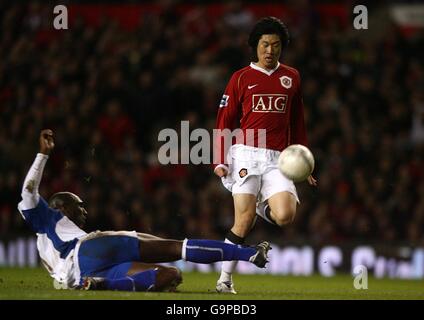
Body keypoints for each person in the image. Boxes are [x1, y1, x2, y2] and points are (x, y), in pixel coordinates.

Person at [18, 129, 271, 292]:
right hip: (88, 248)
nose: (83, 209)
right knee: (175, 247)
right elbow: (29, 191)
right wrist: (42, 155)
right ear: (59, 208)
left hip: (81, 275)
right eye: (77, 204)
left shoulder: (46, 243)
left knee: (169, 276)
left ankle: (100, 286)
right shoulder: (45, 218)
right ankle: (248, 253)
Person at [213, 17, 317, 294]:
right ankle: (224, 281)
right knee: (243, 222)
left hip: (279, 159)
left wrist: (305, 164)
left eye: (276, 45)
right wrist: (220, 160)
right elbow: (224, 121)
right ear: (255, 47)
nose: (270, 50)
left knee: (285, 216)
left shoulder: (291, 77)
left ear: (282, 48)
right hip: (246, 154)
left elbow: (298, 122)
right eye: (265, 45)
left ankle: (261, 206)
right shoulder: (240, 78)